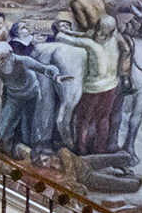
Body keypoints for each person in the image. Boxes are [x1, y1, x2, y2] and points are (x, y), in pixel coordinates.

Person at [50, 17, 123, 154]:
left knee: (83, 118)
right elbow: (89, 34)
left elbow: (64, 39)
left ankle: (80, 150)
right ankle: (100, 150)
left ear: (97, 29)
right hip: (111, 86)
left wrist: (62, 32)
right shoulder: (114, 39)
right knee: (103, 119)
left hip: (93, 88)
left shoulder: (90, 44)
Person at [0, 43, 65, 158]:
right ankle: (8, 156)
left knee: (28, 132)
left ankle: (29, 158)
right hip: (13, 98)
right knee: (3, 133)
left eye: (2, 58)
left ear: (10, 54)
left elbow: (45, 69)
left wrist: (56, 75)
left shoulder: (24, 61)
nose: (0, 62)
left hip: (31, 97)